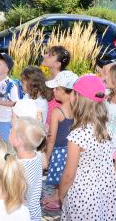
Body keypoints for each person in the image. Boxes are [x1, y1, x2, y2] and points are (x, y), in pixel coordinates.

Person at [59, 74, 116, 221]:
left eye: (73, 92)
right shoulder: (106, 128)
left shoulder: (77, 136)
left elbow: (69, 175)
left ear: (77, 98)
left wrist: (61, 194)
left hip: (84, 196)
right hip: (106, 191)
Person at [41, 70, 78, 212]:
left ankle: (59, 200)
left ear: (66, 91)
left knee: (59, 178)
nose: (54, 91)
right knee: (68, 177)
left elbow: (51, 138)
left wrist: (47, 156)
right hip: (72, 151)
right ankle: (61, 198)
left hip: (58, 151)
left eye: (57, 89)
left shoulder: (58, 111)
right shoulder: (78, 109)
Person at [9, 116, 46, 221]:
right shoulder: (37, 155)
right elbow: (45, 164)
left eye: (11, 129)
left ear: (18, 142)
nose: (9, 131)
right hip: (35, 213)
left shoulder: (18, 167)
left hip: (23, 215)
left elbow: (17, 197)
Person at [0, 52, 21, 140]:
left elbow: (14, 103)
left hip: (6, 121)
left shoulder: (11, 84)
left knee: (5, 146)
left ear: (6, 69)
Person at [41, 46, 71, 129]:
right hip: (46, 126)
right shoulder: (50, 78)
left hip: (56, 129)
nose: (45, 56)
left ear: (57, 64)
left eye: (50, 55)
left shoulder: (63, 83)